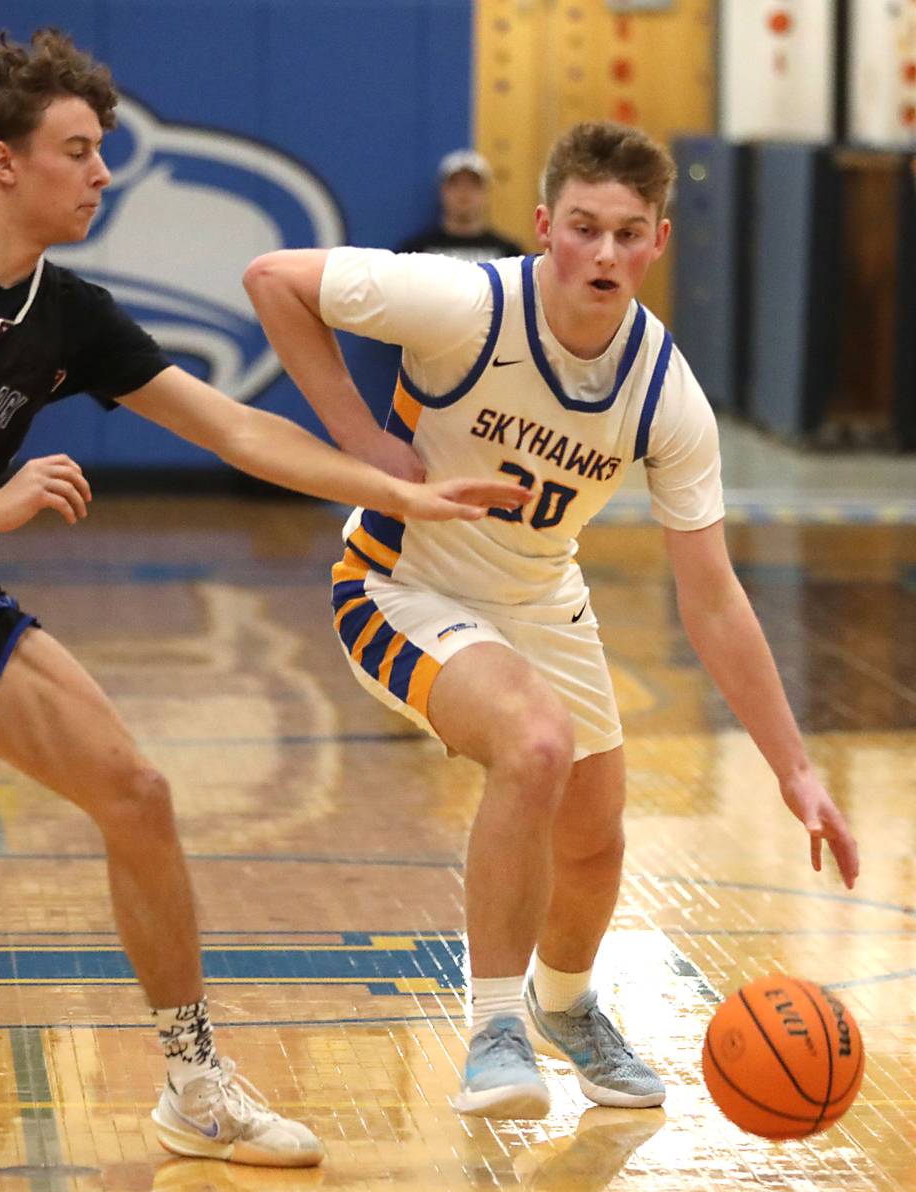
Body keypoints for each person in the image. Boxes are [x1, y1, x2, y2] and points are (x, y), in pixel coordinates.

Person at [0, 28, 530, 1174]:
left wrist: (406, 486)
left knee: (137, 791)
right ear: (4, 163)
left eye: (100, 151)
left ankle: (195, 1084)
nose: (102, 174)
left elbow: (238, 428)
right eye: (79, 150)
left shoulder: (70, 313)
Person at [243, 120, 860, 1120]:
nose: (606, 253)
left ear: (659, 242)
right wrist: (361, 446)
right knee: (534, 742)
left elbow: (710, 595)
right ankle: (491, 1027)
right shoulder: (466, 301)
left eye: (628, 232)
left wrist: (793, 767)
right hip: (402, 584)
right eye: (585, 227)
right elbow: (274, 276)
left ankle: (563, 1006)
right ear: (543, 228)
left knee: (597, 838)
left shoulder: (667, 394)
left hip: (540, 594)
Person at [400, 149, 524, 263]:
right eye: (455, 184)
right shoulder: (416, 251)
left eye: (474, 184)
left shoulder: (510, 254)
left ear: (486, 193)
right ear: (442, 191)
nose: (464, 192)